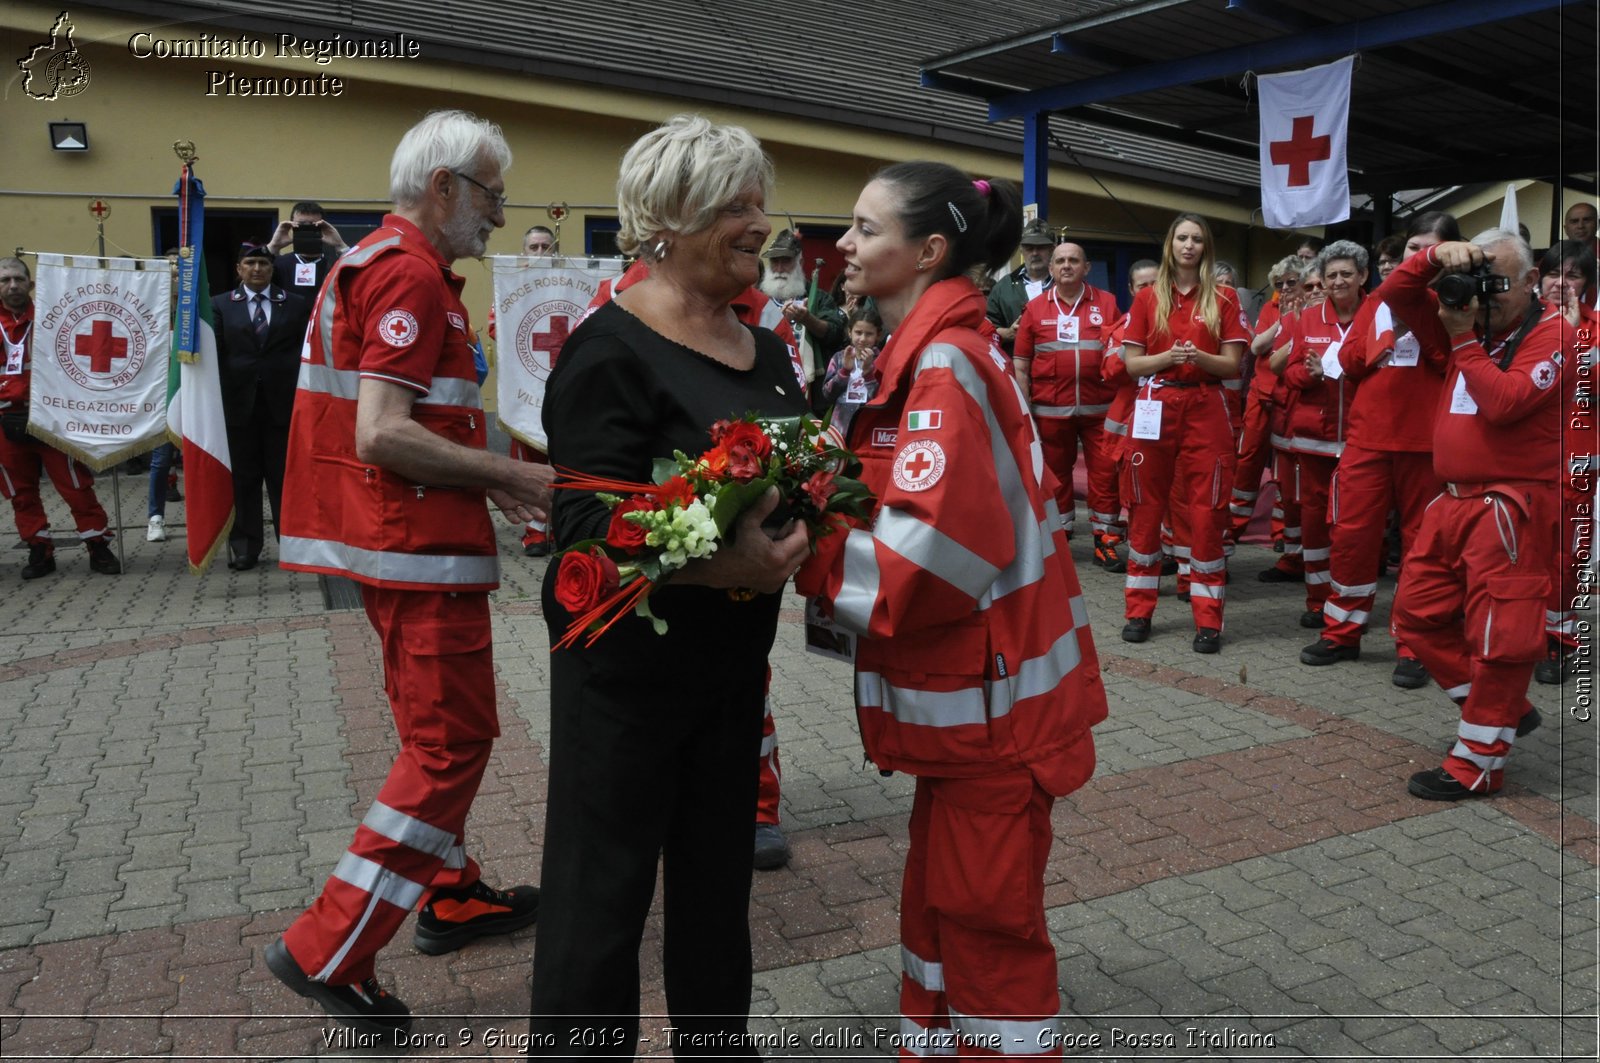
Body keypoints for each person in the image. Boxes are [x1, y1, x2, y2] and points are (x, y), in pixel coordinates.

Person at [797, 162, 1105, 1056]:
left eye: (864, 227)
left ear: (929, 251)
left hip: (993, 716)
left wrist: (797, 547)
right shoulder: (927, 357)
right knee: (939, 905)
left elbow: (920, 568)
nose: (844, 245)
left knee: (985, 925)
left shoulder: (945, 366)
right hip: (970, 714)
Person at [528, 114, 812, 1056]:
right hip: (625, 683)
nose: (757, 224)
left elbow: (799, 479)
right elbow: (581, 538)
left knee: (716, 887)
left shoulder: (767, 351)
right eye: (734, 206)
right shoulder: (608, 350)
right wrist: (730, 565)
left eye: (758, 204)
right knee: (598, 900)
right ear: (666, 222)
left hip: (731, 677)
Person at [266, 110, 551, 1039]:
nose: (500, 217)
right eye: (493, 197)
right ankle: (329, 948)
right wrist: (513, 474)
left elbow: (420, 421)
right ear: (445, 189)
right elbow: (383, 431)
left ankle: (454, 891)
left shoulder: (381, 266)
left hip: (398, 545)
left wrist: (491, 478)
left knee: (429, 730)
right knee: (450, 745)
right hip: (418, 550)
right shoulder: (409, 274)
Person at [1386, 229, 1571, 800]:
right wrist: (1434, 257)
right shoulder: (1463, 321)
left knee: (1501, 639)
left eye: (1500, 283)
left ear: (1533, 281)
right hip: (1453, 499)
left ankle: (1478, 763)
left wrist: (1463, 339)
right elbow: (1394, 294)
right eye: (1479, 278)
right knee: (1415, 617)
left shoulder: (1556, 334)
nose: (1485, 294)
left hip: (1509, 507)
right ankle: (1503, 708)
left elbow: (1506, 401)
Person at [1300, 211, 1459, 684]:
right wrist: (1374, 341)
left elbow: (1446, 357)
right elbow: (1348, 363)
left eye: (1428, 250)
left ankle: (1414, 645)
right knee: (1351, 537)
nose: (1415, 258)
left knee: (1421, 549)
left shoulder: (1450, 304)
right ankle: (1342, 632)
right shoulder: (1378, 303)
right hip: (1367, 439)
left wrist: (1413, 317)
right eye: (1412, 249)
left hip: (1423, 444)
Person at [1118, 213, 1249, 652]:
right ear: (1170, 245)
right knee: (1144, 507)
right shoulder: (1148, 298)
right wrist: (1169, 357)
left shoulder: (1225, 298)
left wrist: (1199, 357)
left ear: (1205, 247)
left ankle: (1208, 619)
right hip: (1155, 402)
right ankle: (1139, 611)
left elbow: (1231, 365)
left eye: (1196, 239)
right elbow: (1132, 364)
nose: (1189, 246)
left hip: (1205, 404)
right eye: (1182, 238)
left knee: (1208, 510)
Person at [0, 257, 121, 579]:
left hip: (50, 417)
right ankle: (39, 549)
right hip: (5, 422)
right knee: (20, 493)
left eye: (18, 279)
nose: (12, 286)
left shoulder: (52, 317)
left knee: (76, 486)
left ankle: (98, 544)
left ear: (31, 284)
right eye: (5, 280)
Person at [1273, 241, 1369, 630]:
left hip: (1362, 440)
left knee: (1352, 526)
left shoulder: (1377, 315)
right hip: (1313, 442)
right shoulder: (1308, 318)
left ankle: (1349, 602)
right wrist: (1307, 375)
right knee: (1314, 525)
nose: (1338, 281)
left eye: (1347, 273)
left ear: (1363, 276)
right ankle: (1317, 601)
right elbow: (1289, 373)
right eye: (1331, 275)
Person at [1012, 241, 1123, 556]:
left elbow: (1120, 354)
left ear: (1086, 268)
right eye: (1060, 260)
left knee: (1104, 474)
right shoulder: (1034, 309)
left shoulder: (1108, 303)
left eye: (1074, 260)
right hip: (1050, 409)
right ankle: (1059, 535)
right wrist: (1025, 408)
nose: (1066, 265)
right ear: (1051, 269)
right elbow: (1021, 363)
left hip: (1100, 409)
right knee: (1055, 475)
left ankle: (1106, 539)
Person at [212, 243, 312, 570]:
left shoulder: (296, 305)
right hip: (238, 408)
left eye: (263, 264)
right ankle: (245, 547)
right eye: (250, 263)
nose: (257, 269)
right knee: (243, 480)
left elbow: (308, 353)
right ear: (238, 269)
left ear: (273, 269)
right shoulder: (220, 306)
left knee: (285, 479)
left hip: (283, 407)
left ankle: (294, 545)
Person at [1537, 239, 1598, 684]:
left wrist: (1573, 333)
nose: (1561, 283)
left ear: (1588, 285)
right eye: (1554, 273)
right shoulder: (1517, 323)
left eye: (1572, 275)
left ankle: (1562, 640)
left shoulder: (1596, 328)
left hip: (1577, 460)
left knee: (1568, 557)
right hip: (1523, 461)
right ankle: (1521, 634)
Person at [1228, 256, 1302, 552]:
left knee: (1285, 471)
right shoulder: (1272, 308)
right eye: (1279, 284)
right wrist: (1284, 322)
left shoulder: (1312, 309)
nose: (1284, 288)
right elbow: (1257, 346)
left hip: (1291, 399)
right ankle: (1231, 530)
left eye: (1291, 282)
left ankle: (1283, 535)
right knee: (1246, 464)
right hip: (1261, 396)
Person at [508, 223, 557, 557]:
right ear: (524, 251)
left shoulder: (572, 286)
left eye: (546, 247)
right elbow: (500, 327)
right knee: (529, 462)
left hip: (562, 391)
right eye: (534, 247)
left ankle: (564, 525)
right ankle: (536, 530)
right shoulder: (509, 286)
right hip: (524, 392)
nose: (540, 253)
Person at [760, 228, 847, 373]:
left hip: (808, 383)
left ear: (800, 263)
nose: (779, 268)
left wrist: (808, 319)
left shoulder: (819, 297)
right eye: (775, 261)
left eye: (786, 261)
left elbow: (836, 333)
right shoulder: (759, 297)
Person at [986, 217, 1055, 351]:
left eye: (1040, 247)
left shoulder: (1066, 285)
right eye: (1029, 248)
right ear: (1021, 250)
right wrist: (1008, 333)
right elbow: (985, 329)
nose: (1035, 253)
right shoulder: (1003, 287)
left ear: (1052, 249)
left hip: (1056, 367)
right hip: (1015, 366)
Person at [267, 200, 348, 295]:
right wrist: (272, 247)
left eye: (313, 225)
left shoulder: (335, 265)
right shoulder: (279, 264)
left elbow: (360, 277)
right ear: (291, 225)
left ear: (323, 226)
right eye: (301, 225)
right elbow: (250, 281)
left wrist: (341, 246)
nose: (307, 229)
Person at [818, 306, 882, 416]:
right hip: (841, 423)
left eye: (869, 334)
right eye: (858, 332)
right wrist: (844, 371)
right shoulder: (839, 358)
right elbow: (827, 395)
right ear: (849, 332)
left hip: (867, 421)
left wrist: (868, 373)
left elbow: (882, 398)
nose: (862, 339)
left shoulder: (882, 360)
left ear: (878, 335)